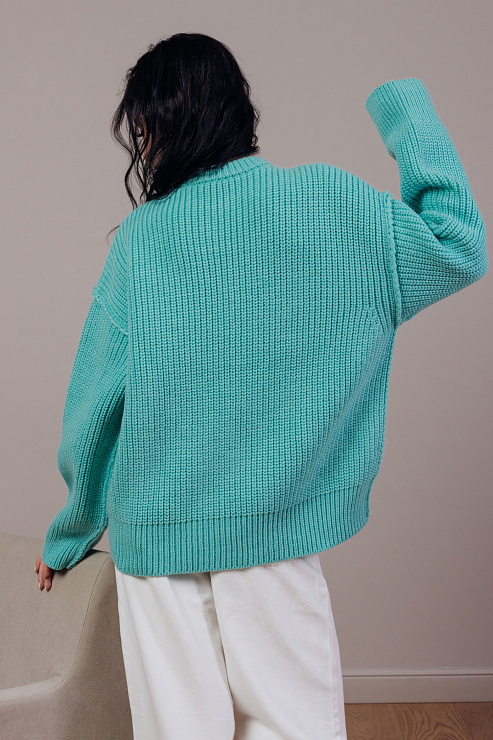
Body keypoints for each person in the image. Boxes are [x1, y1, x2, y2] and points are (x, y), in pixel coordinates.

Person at [36, 32, 488, 740]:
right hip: (276, 537)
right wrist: (404, 113)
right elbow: (458, 244)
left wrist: (70, 533)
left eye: (145, 129)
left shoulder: (143, 241)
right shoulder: (333, 203)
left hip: (157, 547)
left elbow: (95, 409)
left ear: (161, 126)